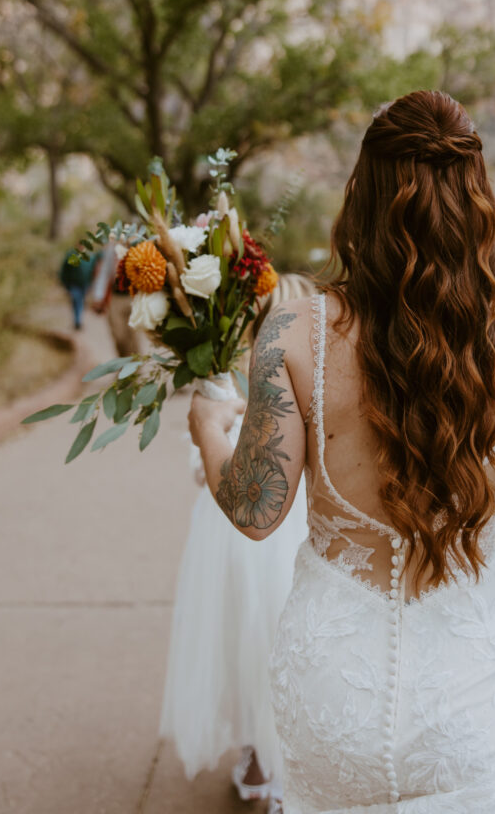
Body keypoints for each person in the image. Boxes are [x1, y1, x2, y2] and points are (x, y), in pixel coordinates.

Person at [189, 90, 495, 813]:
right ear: (478, 198)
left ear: (360, 196)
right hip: (470, 696)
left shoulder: (291, 331)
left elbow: (255, 512)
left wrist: (209, 432)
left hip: (333, 689)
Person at [160, 273, 313, 811]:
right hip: (248, 533)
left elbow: (201, 464)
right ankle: (264, 754)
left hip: (251, 530)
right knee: (261, 643)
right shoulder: (232, 379)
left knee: (258, 640)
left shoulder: (241, 378)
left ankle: (271, 757)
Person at [59, 248, 98, 330]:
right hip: (74, 284)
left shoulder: (90, 257)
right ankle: (77, 321)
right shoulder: (72, 256)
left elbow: (93, 271)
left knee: (80, 302)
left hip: (85, 285)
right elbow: (65, 269)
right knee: (77, 301)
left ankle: (78, 321)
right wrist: (65, 283)